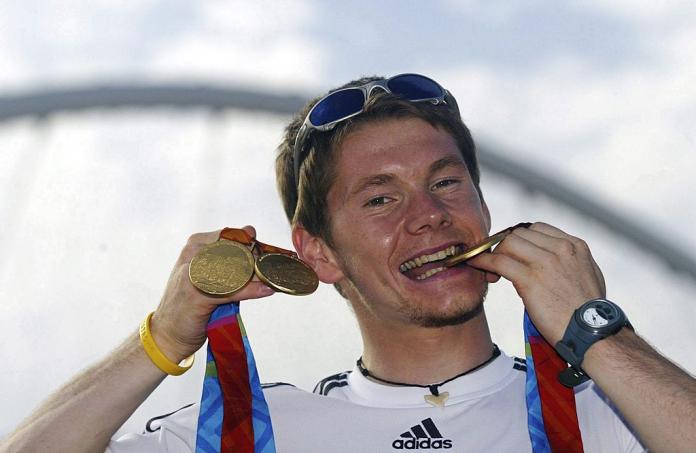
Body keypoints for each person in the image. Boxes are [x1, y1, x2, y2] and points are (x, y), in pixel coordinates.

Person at [3, 74, 696, 453]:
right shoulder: (247, 433)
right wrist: (162, 338)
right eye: (380, 197)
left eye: (446, 182)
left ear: (485, 208)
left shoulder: (606, 413)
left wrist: (600, 335)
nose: (427, 213)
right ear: (319, 253)